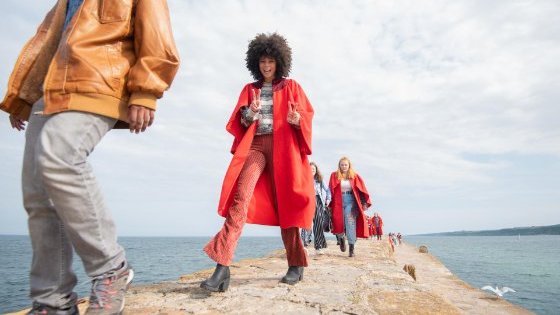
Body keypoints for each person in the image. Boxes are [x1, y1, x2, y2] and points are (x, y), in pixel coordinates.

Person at [1, 1, 179, 314]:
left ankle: (112, 270)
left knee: (60, 156)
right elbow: (47, 44)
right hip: (49, 92)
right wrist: (23, 98)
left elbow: (156, 34)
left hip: (98, 81)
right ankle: (52, 301)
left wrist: (145, 91)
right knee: (37, 194)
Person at [201, 33, 315, 291]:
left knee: (288, 206)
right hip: (256, 147)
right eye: (262, 60)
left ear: (279, 62)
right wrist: (250, 113)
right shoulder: (248, 89)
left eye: (271, 60)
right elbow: (240, 121)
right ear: (256, 62)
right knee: (240, 202)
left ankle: (296, 264)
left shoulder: (292, 87)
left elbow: (306, 117)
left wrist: (298, 121)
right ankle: (222, 266)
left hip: (283, 148)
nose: (266, 65)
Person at [328, 157, 371, 257]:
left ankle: (351, 247)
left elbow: (361, 189)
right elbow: (330, 189)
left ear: (349, 165)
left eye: (345, 165)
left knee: (350, 221)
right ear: (339, 165)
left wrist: (364, 202)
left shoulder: (354, 176)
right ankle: (341, 238)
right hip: (338, 201)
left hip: (350, 201)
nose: (344, 166)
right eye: (342, 165)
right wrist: (327, 202)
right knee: (338, 222)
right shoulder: (334, 175)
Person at [309, 162, 331, 254]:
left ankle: (318, 246)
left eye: (313, 169)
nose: (312, 170)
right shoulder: (304, 178)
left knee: (318, 223)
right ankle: (317, 244)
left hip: (318, 201)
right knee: (309, 224)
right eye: (310, 169)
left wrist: (328, 199)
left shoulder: (319, 179)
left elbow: (328, 190)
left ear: (316, 170)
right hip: (308, 201)